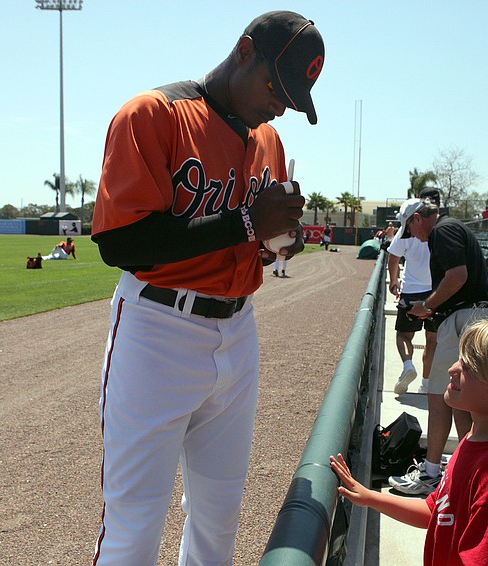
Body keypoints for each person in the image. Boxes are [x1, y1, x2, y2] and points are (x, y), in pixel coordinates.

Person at [89, 11, 324, 565]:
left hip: (238, 330)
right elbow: (120, 245)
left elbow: (253, 236)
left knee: (219, 520)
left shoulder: (269, 140)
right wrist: (246, 222)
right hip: (157, 330)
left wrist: (276, 243)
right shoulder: (153, 114)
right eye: (275, 86)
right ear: (244, 50)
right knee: (134, 527)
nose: (279, 105)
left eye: (292, 97)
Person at [330, 319, 488, 566]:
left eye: (471, 367)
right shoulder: (474, 441)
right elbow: (435, 512)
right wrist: (368, 497)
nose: (453, 369)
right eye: (461, 358)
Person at [388, 198, 488, 497]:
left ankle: (431, 472)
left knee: (439, 396)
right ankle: (466, 469)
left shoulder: (442, 230)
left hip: (465, 318)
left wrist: (427, 305)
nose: (414, 237)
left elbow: (457, 276)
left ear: (417, 219)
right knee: (461, 398)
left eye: (410, 229)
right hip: (475, 316)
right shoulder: (451, 227)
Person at [388, 199, 437, 396]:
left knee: (403, 335)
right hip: (435, 293)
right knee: (432, 341)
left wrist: (394, 280)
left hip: (411, 291)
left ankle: (408, 364)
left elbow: (393, 257)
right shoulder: (437, 229)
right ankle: (426, 383)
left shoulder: (404, 231)